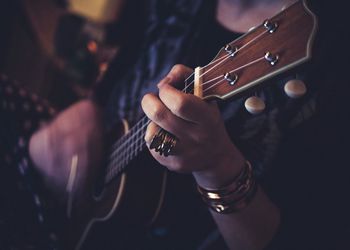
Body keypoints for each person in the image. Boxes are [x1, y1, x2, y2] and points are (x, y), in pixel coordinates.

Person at [1, 0, 349, 249]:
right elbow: (115, 82)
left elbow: (307, 235)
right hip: (72, 192)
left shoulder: (332, 56)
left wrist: (218, 166)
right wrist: (78, 121)